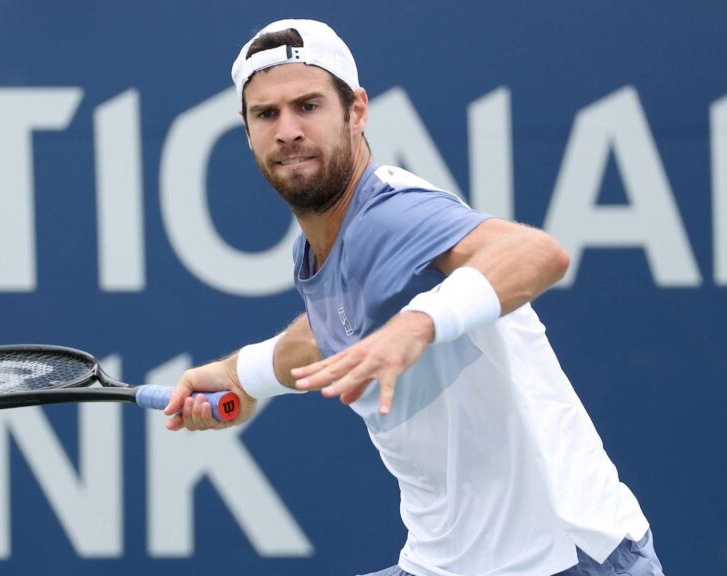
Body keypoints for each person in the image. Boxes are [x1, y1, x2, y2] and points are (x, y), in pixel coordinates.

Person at [163, 18, 664, 576]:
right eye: (267, 114)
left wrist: (418, 324)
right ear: (247, 128)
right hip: (446, 562)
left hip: (560, 560)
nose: (288, 130)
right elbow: (333, 327)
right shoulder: (325, 246)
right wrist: (242, 377)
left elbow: (538, 253)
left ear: (356, 111)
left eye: (308, 106)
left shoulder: (390, 214)